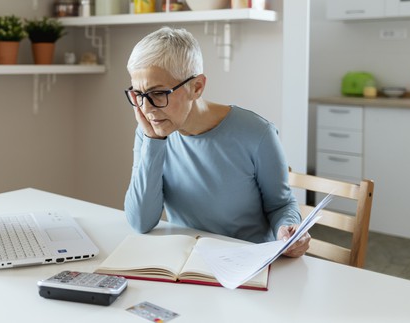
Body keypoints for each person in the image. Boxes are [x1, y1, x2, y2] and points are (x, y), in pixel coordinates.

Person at [123, 27, 309, 258]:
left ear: (197, 87)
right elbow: (140, 222)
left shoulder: (257, 134)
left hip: (247, 264)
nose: (146, 108)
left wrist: (286, 229)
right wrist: (154, 141)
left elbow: (281, 205)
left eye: (158, 93)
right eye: (138, 95)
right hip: (188, 262)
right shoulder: (149, 133)